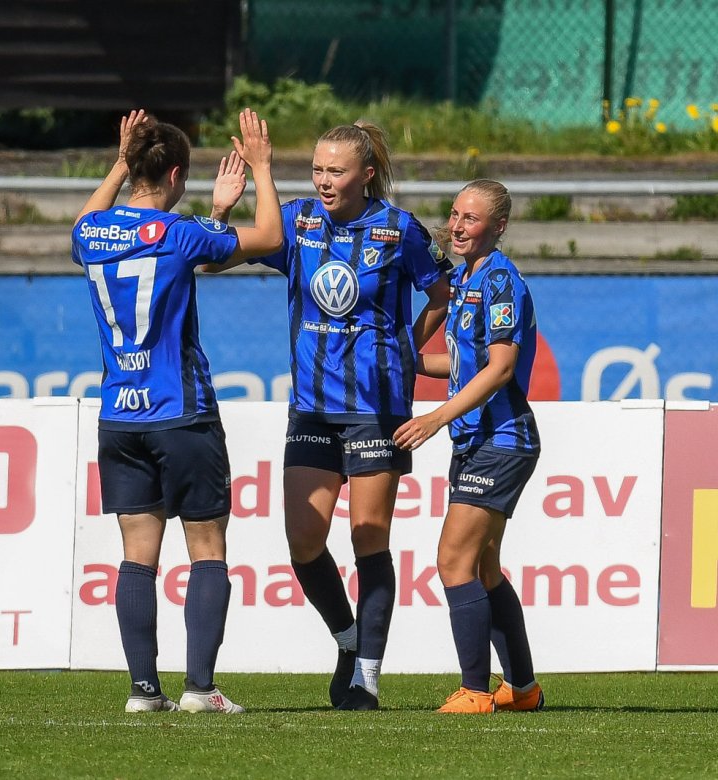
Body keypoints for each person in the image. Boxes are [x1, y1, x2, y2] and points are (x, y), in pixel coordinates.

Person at [211, 120, 451, 710]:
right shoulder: (296, 221)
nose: (323, 180)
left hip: (377, 406)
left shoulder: (399, 229)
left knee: (368, 537)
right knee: (303, 541)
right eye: (317, 169)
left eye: (335, 171)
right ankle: (348, 639)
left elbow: (441, 291)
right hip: (313, 408)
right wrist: (222, 212)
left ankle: (367, 674)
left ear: (365, 174)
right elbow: (218, 258)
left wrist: (407, 348)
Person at [71, 108, 282, 714]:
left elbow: (85, 224)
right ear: (175, 175)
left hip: (121, 416)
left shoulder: (93, 232)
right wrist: (260, 169)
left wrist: (120, 164)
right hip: (181, 413)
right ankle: (199, 689)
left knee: (137, 554)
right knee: (207, 547)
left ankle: (143, 690)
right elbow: (269, 237)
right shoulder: (179, 234)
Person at [393, 179, 544, 714]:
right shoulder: (463, 279)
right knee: (482, 568)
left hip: (502, 440)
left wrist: (436, 417)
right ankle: (522, 689)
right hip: (478, 440)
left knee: (453, 561)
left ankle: (476, 691)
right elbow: (462, 364)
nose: (457, 226)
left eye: (470, 219)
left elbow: (500, 369)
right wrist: (402, 360)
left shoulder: (500, 280)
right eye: (455, 214)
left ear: (498, 227)